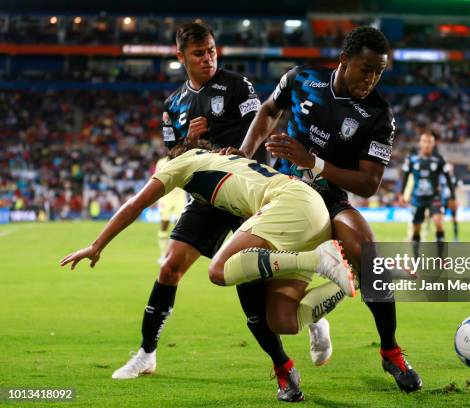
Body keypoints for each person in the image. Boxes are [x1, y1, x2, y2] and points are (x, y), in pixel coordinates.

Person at [59, 143, 357, 401]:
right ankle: (344, 282)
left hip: (290, 204)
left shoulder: (184, 162)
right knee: (284, 320)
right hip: (308, 210)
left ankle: (316, 260)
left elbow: (137, 203)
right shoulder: (223, 163)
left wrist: (97, 245)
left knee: (219, 270)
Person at [227, 26, 423, 393]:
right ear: (344, 60)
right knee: (266, 302)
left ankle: (391, 351)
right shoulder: (301, 79)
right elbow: (270, 107)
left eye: (380, 72)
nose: (372, 79)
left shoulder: (379, 114)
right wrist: (245, 149)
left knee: (368, 253)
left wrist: (313, 163)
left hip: (328, 197)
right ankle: (283, 366)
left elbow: (368, 184)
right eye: (366, 68)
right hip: (278, 194)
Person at [110, 21, 268, 382]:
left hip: (247, 192)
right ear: (181, 56)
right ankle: (146, 354)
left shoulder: (237, 85)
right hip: (207, 197)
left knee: (264, 278)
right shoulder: (173, 104)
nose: (208, 59)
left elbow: (262, 127)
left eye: (211, 51)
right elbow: (173, 157)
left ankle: (313, 319)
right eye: (199, 54)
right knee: (169, 267)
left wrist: (242, 154)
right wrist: (189, 140)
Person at [400, 132, 456, 257]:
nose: (427, 144)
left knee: (439, 222)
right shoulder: (412, 159)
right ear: (420, 143)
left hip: (434, 198)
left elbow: (448, 178)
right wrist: (401, 193)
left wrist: (452, 197)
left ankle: (440, 258)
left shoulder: (439, 159)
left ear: (433, 144)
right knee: (416, 228)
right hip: (417, 198)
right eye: (424, 141)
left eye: (429, 142)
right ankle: (416, 257)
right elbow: (405, 176)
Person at [154, 155, 187, 264]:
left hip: (179, 196)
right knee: (164, 225)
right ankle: (163, 255)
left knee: (180, 226)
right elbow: (156, 179)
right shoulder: (161, 162)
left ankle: (176, 255)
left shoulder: (184, 159)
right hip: (165, 197)